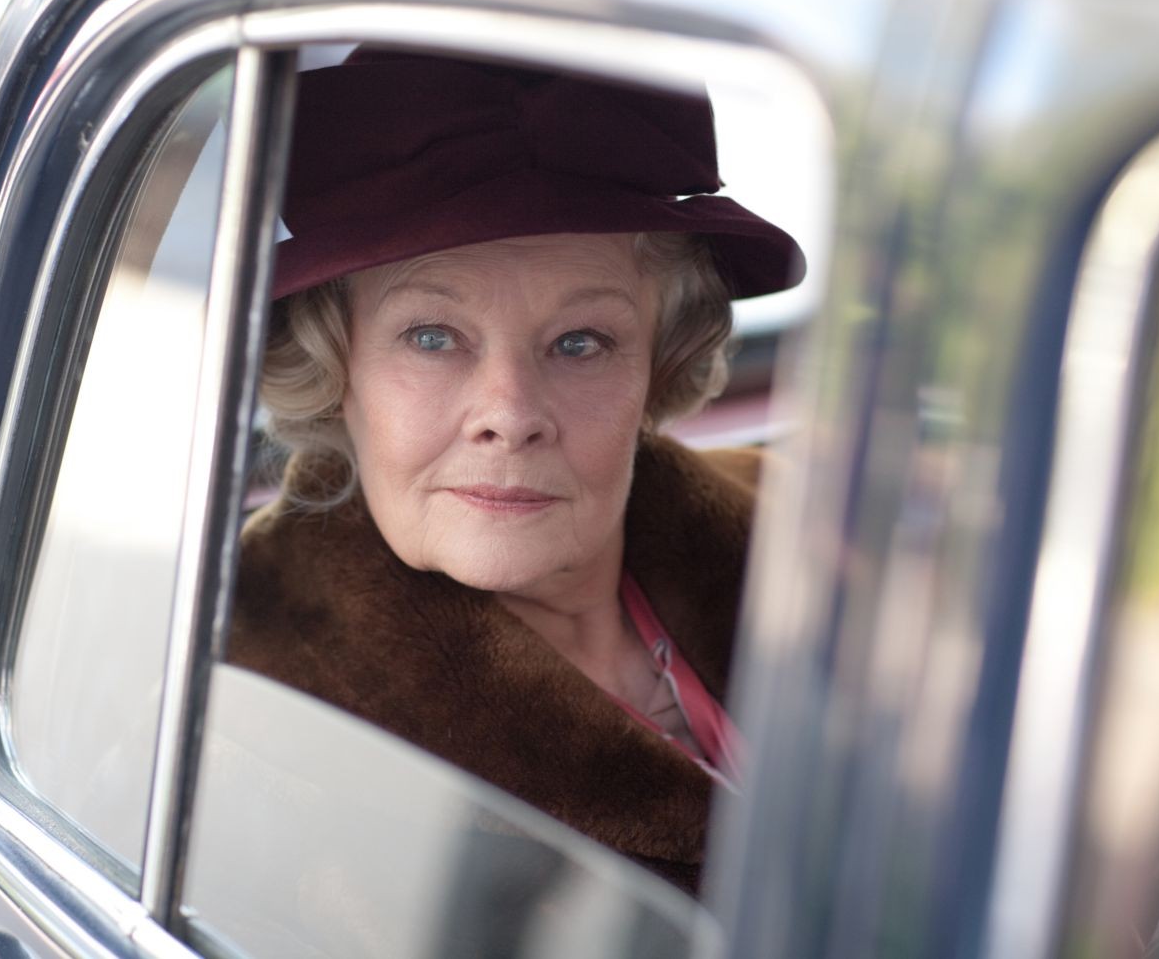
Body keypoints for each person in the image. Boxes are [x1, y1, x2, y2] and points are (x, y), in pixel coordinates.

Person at [228, 48, 803, 894]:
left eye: (580, 343)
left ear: (657, 365)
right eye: (433, 337)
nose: (511, 412)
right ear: (334, 367)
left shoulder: (805, 535)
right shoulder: (245, 723)